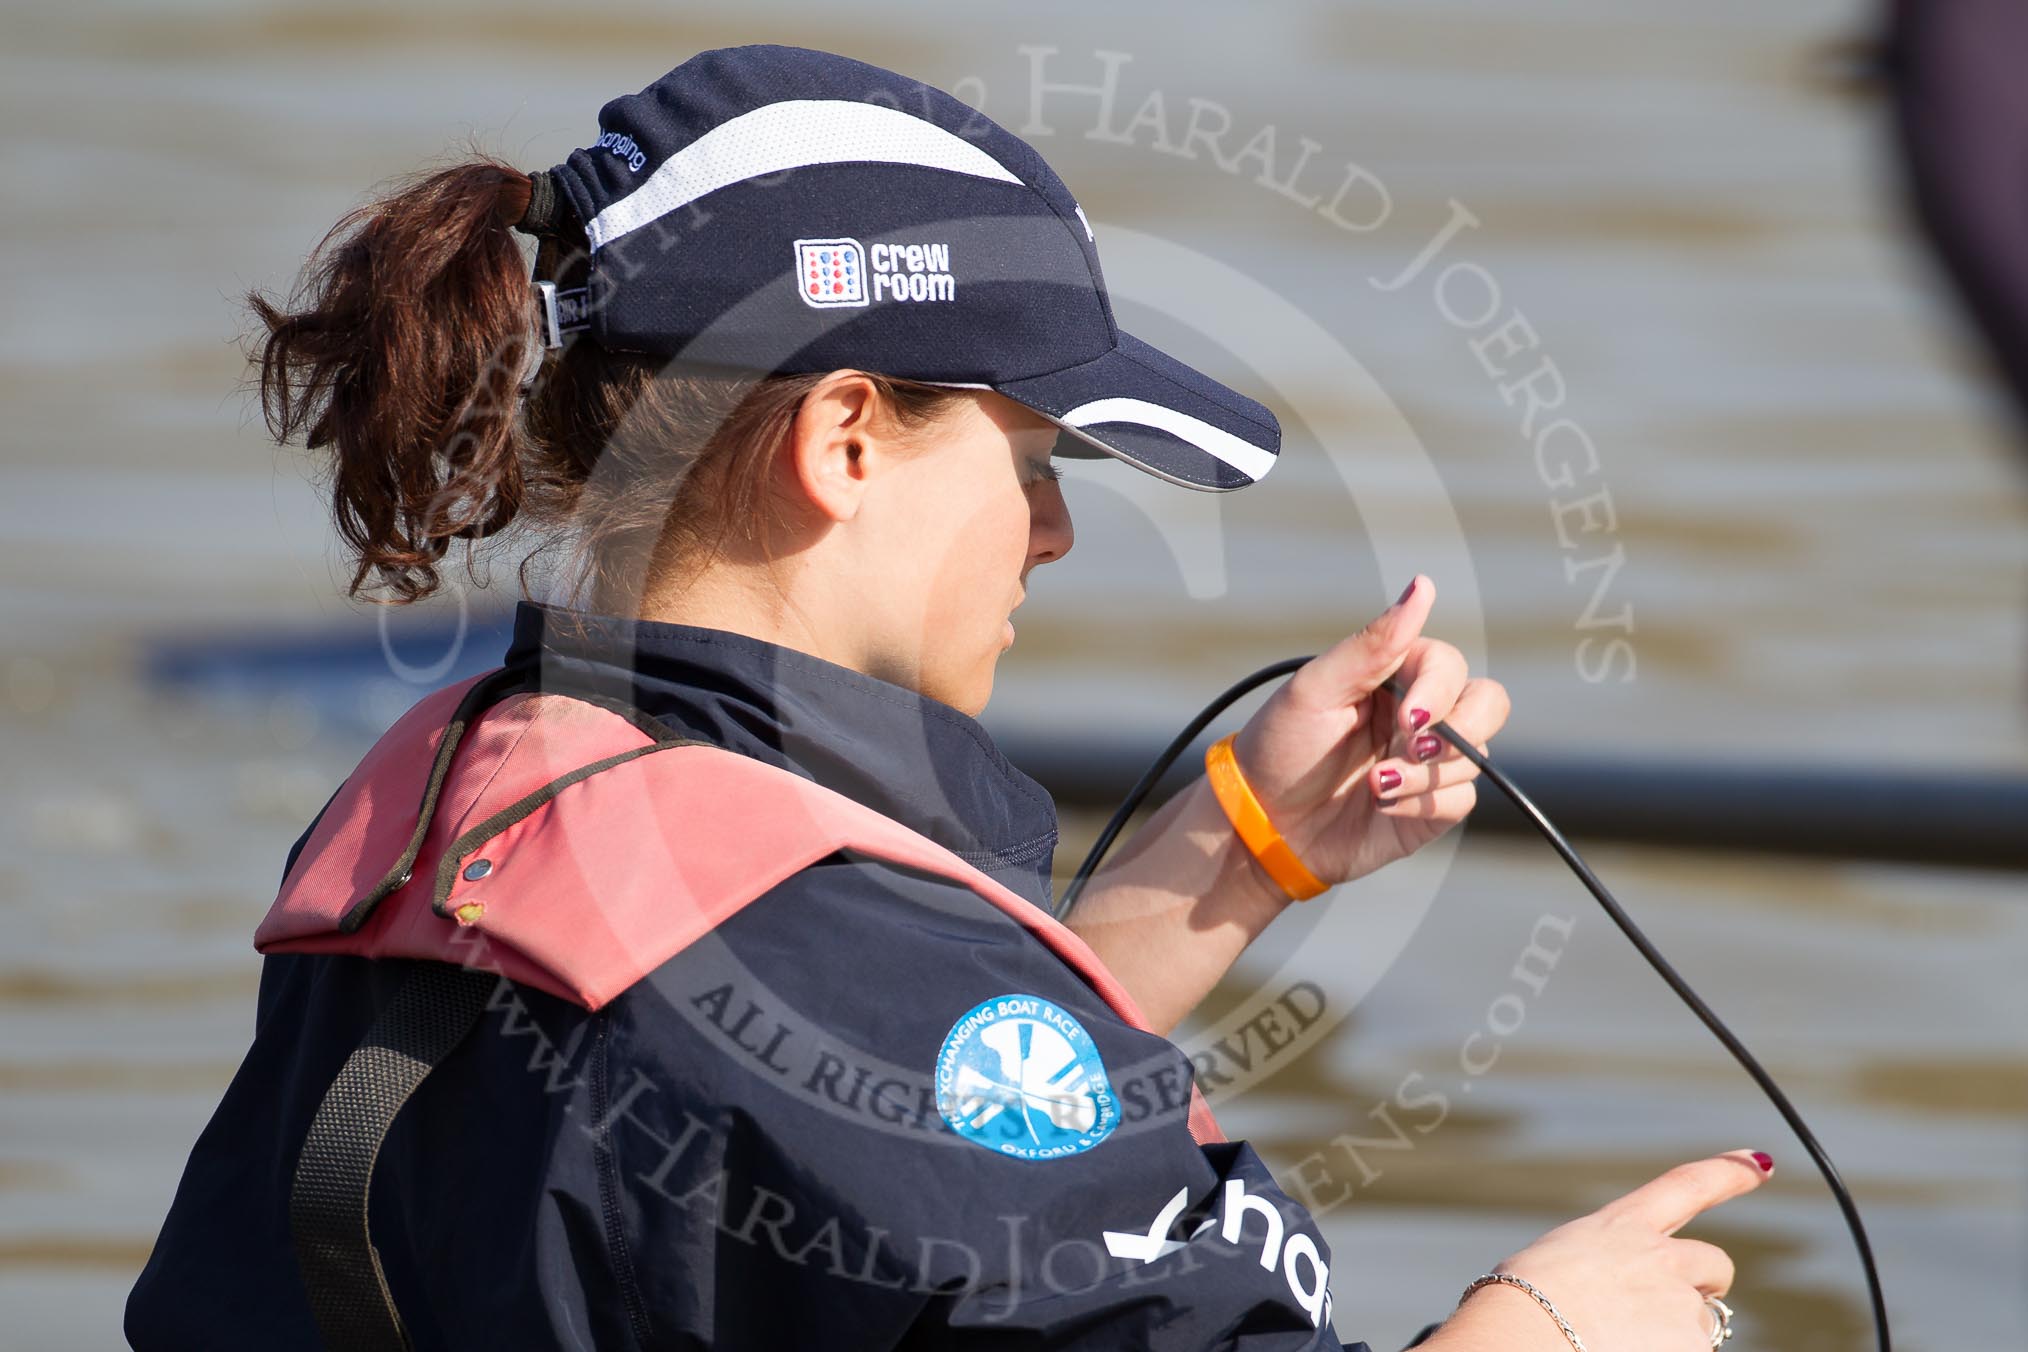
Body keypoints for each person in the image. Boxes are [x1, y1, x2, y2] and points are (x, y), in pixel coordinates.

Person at [126, 43, 1770, 1352]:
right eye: (1036, 458)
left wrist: (1243, 848)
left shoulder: (462, 792)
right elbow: (878, 1085)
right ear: (844, 440)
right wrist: (1545, 1325)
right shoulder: (847, 967)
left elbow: (850, 1134)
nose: (1052, 531)